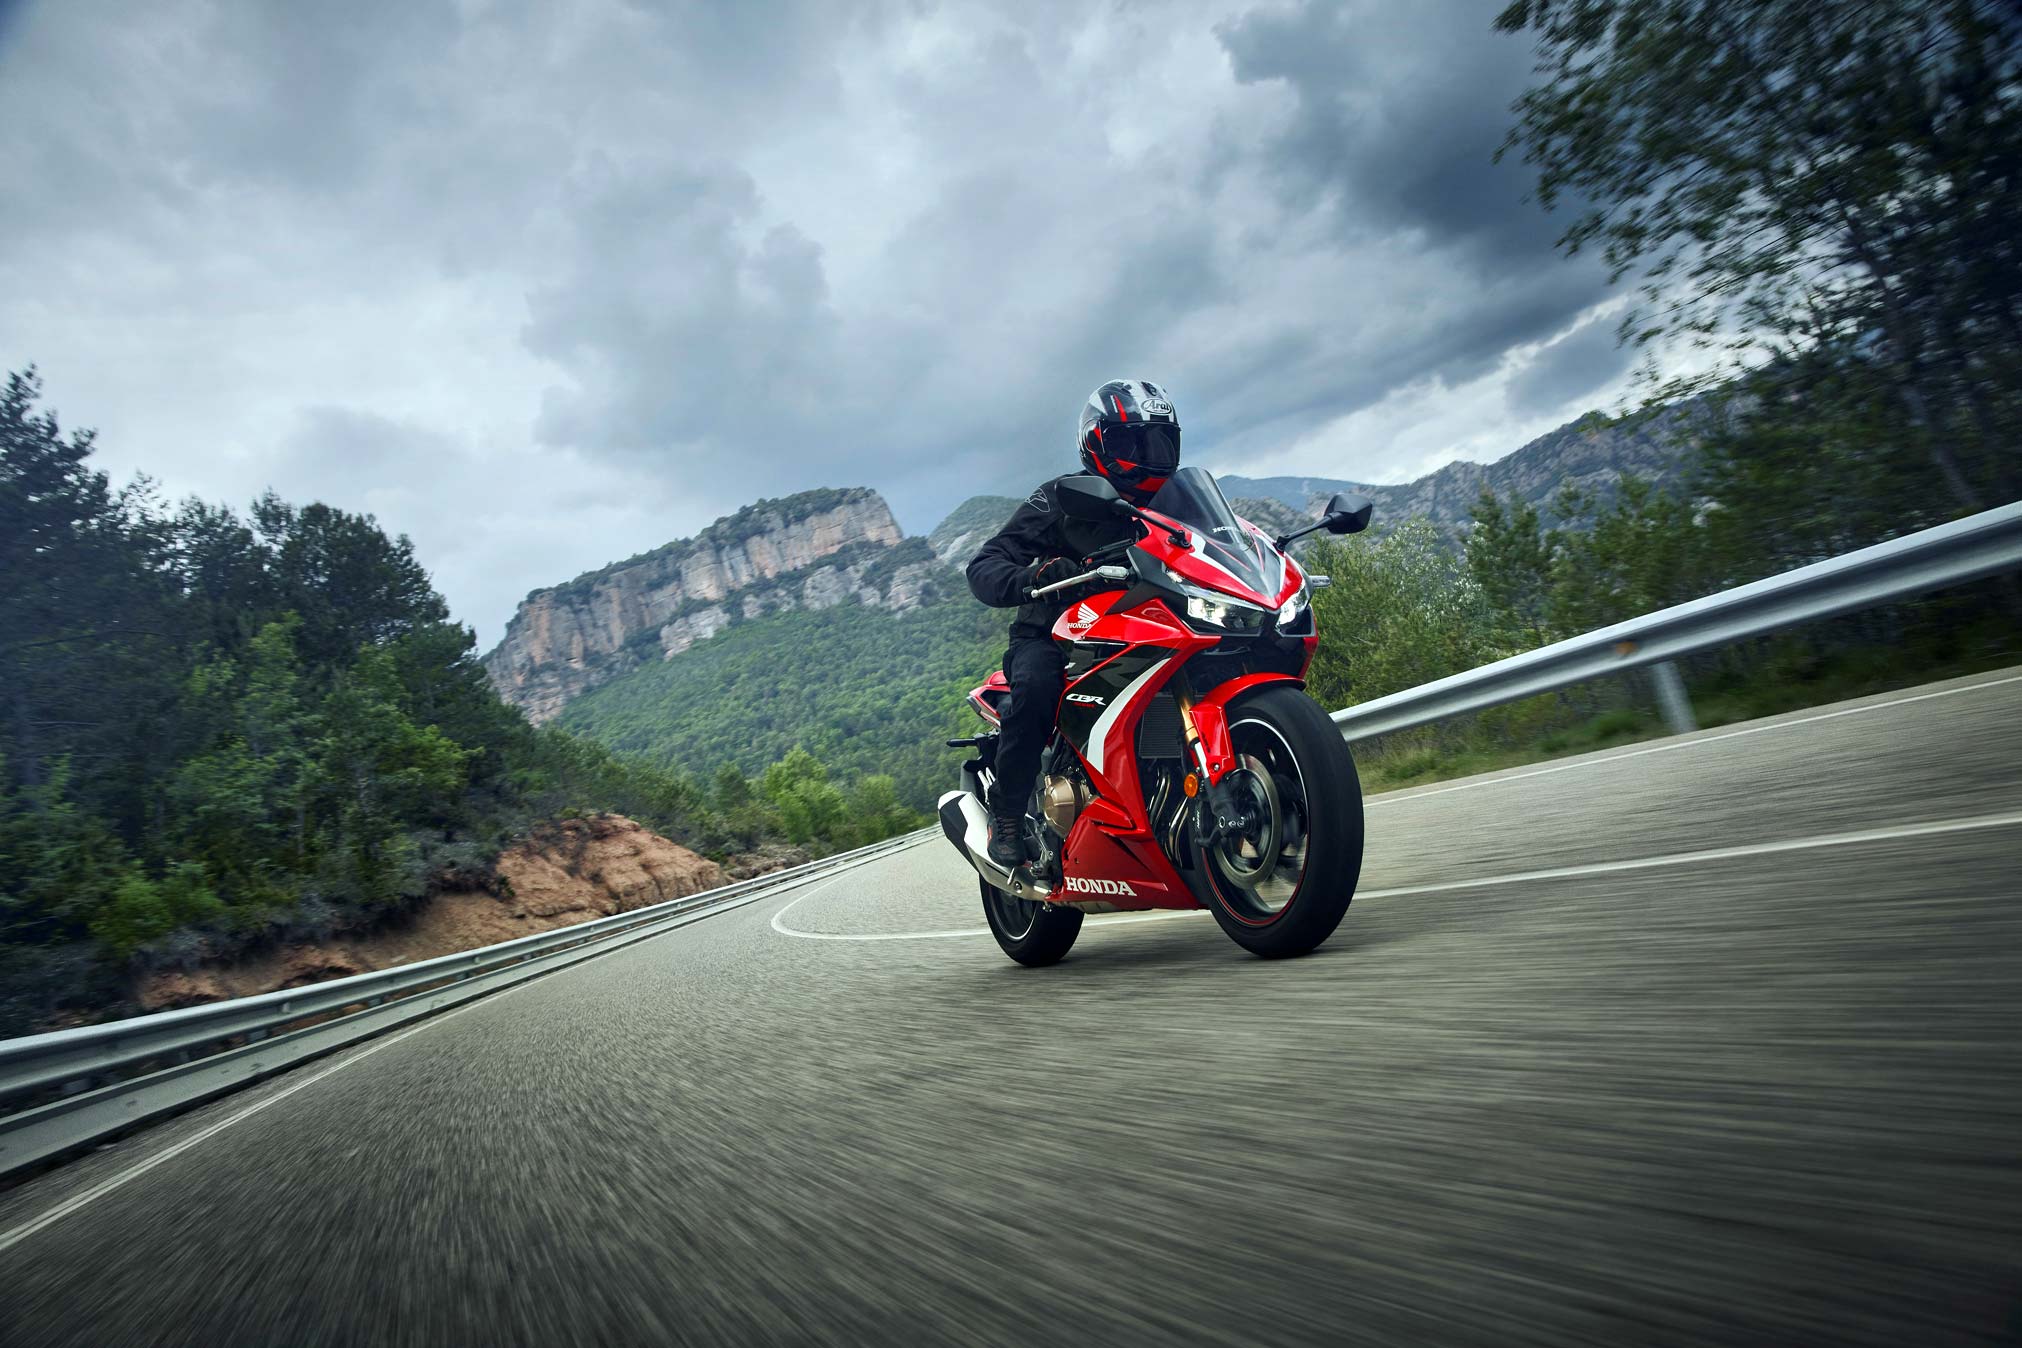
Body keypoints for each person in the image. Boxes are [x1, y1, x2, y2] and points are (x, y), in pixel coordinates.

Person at [965, 379, 1182, 868]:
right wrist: (1036, 576)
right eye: (1134, 442)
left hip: (1148, 623)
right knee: (1038, 684)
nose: (1150, 454)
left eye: (1159, 440)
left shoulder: (1175, 503)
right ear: (1098, 442)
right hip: (1058, 633)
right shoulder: (1060, 498)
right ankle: (1008, 819)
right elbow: (986, 564)